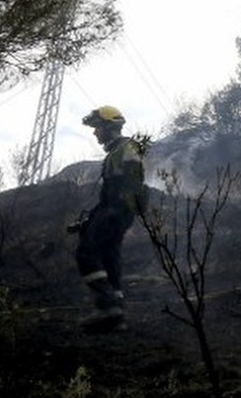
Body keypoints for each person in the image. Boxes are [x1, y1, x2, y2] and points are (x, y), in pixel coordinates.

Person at [73, 105, 147, 332]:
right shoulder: (116, 152)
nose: (95, 133)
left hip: (118, 209)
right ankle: (116, 314)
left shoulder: (127, 147)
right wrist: (91, 219)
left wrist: (116, 211)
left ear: (108, 127)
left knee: (85, 253)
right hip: (116, 209)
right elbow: (109, 194)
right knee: (108, 255)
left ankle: (108, 306)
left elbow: (132, 183)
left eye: (97, 128)